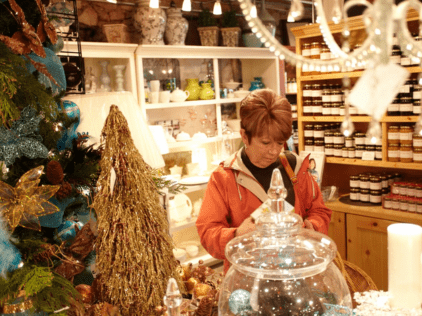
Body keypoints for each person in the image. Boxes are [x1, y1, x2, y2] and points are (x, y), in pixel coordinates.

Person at [196, 89, 332, 274]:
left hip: (296, 273)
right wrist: (236, 235)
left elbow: (320, 211)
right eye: (266, 143)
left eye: (280, 142)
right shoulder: (224, 177)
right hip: (246, 281)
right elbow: (207, 232)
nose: (274, 151)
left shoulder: (296, 168)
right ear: (244, 136)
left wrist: (309, 228)